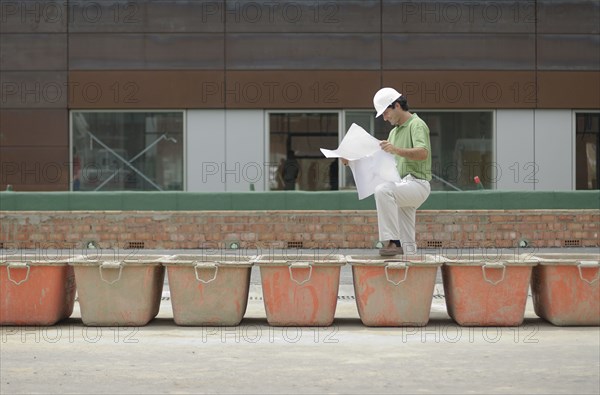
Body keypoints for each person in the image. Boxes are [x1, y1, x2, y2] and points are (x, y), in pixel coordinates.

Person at [342, 87, 432, 256]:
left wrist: (396, 149)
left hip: (417, 184)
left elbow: (423, 153)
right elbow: (377, 160)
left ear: (397, 105)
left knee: (383, 191)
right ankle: (411, 273)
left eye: (385, 112)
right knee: (408, 245)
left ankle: (392, 242)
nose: (384, 118)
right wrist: (351, 162)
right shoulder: (394, 132)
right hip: (403, 186)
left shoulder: (416, 124)